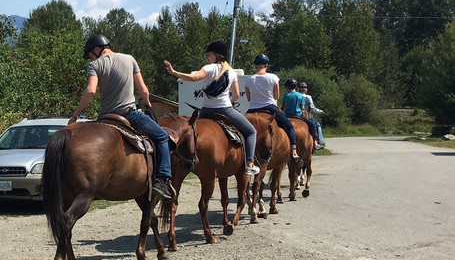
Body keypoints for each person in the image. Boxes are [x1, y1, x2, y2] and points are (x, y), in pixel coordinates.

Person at [68, 33, 174, 201]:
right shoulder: (129, 59)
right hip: (129, 114)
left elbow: (90, 91)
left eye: (89, 54)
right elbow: (144, 90)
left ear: (97, 49)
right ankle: (162, 181)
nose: (90, 58)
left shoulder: (95, 66)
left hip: (105, 117)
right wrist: (146, 102)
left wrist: (75, 116)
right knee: (162, 137)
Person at [164, 40, 259, 176]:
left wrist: (174, 72)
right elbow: (237, 95)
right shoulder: (232, 73)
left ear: (216, 55)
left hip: (206, 111)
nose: (207, 57)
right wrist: (230, 101)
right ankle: (249, 163)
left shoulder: (208, 68)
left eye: (209, 54)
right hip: (226, 110)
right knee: (251, 132)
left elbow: (194, 77)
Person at [242, 54, 299, 160]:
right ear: (266, 65)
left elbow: (249, 98)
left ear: (255, 66)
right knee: (289, 126)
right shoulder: (273, 77)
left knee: (240, 128)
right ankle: (294, 150)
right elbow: (276, 96)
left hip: (252, 109)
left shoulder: (249, 79)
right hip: (269, 107)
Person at [298, 81, 326, 149]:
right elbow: (312, 108)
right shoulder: (308, 97)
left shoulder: (297, 96)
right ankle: (320, 142)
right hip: (307, 115)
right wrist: (320, 111)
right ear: (306, 89)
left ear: (298, 89)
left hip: (297, 115)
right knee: (317, 125)